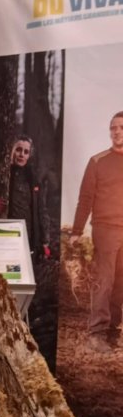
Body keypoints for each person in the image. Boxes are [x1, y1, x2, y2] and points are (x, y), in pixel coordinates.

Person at [71, 111, 123, 351]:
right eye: (113, 128)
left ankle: (113, 332)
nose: (117, 132)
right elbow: (85, 198)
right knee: (105, 280)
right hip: (105, 230)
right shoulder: (97, 161)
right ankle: (97, 334)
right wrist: (76, 230)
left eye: (121, 127)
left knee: (120, 283)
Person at [0, 135, 51, 258]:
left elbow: (41, 210)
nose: (21, 154)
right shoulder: (2, 175)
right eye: (18, 150)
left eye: (26, 152)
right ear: (11, 150)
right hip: (4, 234)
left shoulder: (33, 178)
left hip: (27, 237)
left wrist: (45, 241)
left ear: (29, 155)